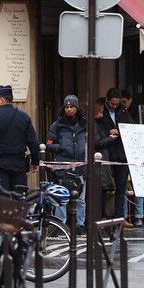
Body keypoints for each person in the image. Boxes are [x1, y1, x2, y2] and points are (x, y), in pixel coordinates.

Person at [45, 95, 88, 235]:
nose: (69, 109)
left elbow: (92, 141)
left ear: (77, 108)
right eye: (67, 107)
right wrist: (61, 147)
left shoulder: (84, 123)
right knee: (61, 196)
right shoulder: (57, 125)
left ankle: (80, 225)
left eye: (72, 107)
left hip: (80, 165)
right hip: (63, 166)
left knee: (81, 198)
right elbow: (49, 144)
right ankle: (60, 224)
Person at [97, 87, 133, 227]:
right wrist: (108, 132)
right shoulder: (101, 111)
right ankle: (103, 215)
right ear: (107, 100)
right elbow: (97, 130)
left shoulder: (123, 111)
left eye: (117, 104)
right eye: (112, 103)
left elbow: (130, 127)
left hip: (121, 153)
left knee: (121, 187)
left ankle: (120, 217)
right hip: (106, 152)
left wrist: (120, 130)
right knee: (104, 186)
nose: (115, 106)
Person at [121, 88, 143, 226]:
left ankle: (139, 215)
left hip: (135, 153)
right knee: (122, 185)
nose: (123, 104)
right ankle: (126, 215)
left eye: (124, 101)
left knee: (138, 184)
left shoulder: (137, 114)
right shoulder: (119, 113)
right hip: (123, 154)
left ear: (130, 100)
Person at [94, 98, 117, 220]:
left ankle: (101, 217)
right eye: (100, 112)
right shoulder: (93, 124)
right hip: (99, 162)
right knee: (100, 193)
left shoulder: (99, 123)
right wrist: (111, 138)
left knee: (103, 192)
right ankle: (100, 217)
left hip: (103, 162)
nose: (102, 114)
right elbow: (97, 143)